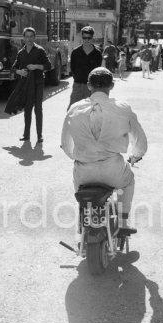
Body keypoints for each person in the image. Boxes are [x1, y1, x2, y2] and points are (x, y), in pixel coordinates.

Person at [62, 67, 147, 235]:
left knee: (79, 189)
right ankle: (122, 222)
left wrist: (80, 156)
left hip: (84, 172)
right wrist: (135, 156)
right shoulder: (123, 108)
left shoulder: (74, 109)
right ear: (112, 85)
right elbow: (140, 143)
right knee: (128, 181)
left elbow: (66, 145)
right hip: (113, 170)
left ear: (88, 85)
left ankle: (84, 218)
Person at [11, 27, 51, 143]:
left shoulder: (40, 50)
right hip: (26, 84)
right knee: (27, 109)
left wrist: (36, 66)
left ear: (34, 37)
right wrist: (19, 72)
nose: (29, 39)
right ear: (23, 38)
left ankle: (39, 136)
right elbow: (13, 68)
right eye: (26, 36)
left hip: (38, 83)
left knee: (38, 109)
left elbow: (48, 66)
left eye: (31, 36)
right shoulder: (21, 52)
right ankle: (26, 135)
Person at [68, 26, 102, 109]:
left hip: (91, 86)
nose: (86, 40)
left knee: (90, 110)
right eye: (84, 38)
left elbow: (97, 70)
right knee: (73, 109)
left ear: (92, 38)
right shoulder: (75, 52)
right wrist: (77, 78)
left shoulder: (97, 53)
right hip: (78, 85)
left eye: (89, 38)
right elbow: (73, 68)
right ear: (82, 37)